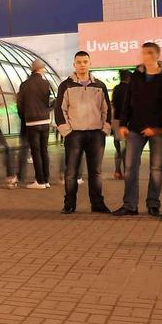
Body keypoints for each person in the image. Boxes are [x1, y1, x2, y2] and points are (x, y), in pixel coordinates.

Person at [112, 42, 162, 217]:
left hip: (158, 130)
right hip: (135, 128)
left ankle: (153, 204)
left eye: (149, 53)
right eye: (143, 53)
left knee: (157, 169)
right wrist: (123, 123)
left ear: (157, 55)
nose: (146, 56)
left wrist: (158, 128)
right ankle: (130, 205)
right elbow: (127, 101)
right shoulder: (136, 77)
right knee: (130, 167)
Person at [55, 51, 111, 214]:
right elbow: (60, 110)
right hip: (75, 135)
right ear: (74, 64)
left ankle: (98, 204)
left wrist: (104, 130)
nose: (82, 65)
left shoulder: (99, 86)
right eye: (79, 62)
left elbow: (106, 109)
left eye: (85, 61)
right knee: (71, 172)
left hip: (96, 134)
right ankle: (69, 204)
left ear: (90, 63)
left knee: (96, 172)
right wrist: (67, 132)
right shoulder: (66, 85)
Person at [16, 59, 53, 189]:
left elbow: (20, 105)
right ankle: (46, 180)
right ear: (40, 69)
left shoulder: (24, 85)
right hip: (45, 120)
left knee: (36, 151)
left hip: (32, 122)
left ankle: (40, 181)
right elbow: (48, 101)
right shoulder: (45, 83)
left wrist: (24, 117)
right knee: (44, 150)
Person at [110, 69, 131, 180]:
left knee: (118, 147)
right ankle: (127, 171)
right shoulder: (130, 89)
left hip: (117, 120)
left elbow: (113, 105)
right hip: (127, 121)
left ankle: (117, 171)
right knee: (128, 147)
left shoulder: (116, 89)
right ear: (128, 78)